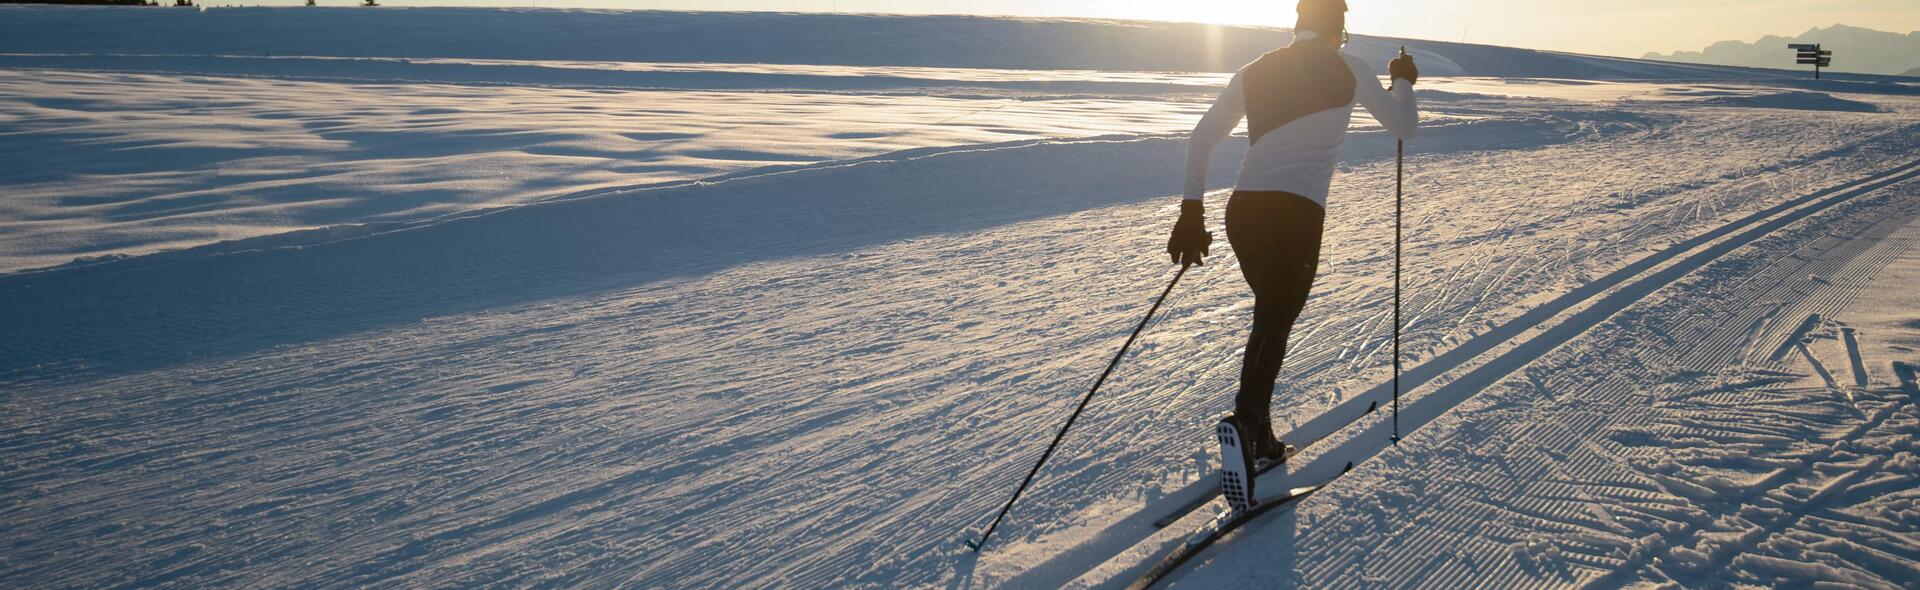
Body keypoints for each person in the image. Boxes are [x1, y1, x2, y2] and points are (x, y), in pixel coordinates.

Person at [1166, 0, 1419, 466]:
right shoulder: (1349, 67)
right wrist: (1402, 80)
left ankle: (1258, 431)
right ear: (1338, 29)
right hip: (1296, 214)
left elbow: (1201, 138)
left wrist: (1191, 213)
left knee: (1272, 315)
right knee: (1274, 319)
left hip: (1242, 213)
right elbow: (1404, 126)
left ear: (1298, 25)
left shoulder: (1253, 70)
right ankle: (1245, 422)